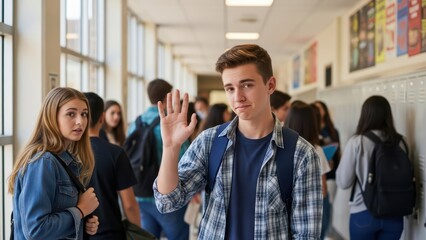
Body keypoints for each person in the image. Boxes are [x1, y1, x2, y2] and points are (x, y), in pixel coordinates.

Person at [154, 44, 322, 239]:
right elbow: (167, 202)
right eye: (230, 88)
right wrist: (171, 148)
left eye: (247, 85)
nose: (238, 97)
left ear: (270, 85)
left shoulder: (301, 155)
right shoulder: (209, 142)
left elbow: (307, 235)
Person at [8, 87, 99, 239]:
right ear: (52, 116)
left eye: (84, 114)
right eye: (71, 114)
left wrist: (84, 222)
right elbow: (36, 230)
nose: (80, 121)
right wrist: (81, 210)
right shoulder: (43, 162)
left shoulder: (65, 160)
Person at [336, 95, 407, 240]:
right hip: (394, 213)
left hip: (363, 213)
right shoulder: (402, 142)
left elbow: (343, 182)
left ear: (365, 115)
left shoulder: (357, 142)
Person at [127, 78, 190, 240]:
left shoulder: (136, 123)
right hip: (167, 194)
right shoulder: (171, 123)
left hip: (140, 191)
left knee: (149, 237)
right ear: (168, 97)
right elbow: (185, 159)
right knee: (178, 236)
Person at [84, 92, 141, 239]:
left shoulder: (65, 154)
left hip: (75, 233)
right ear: (102, 118)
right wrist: (137, 234)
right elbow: (129, 204)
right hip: (110, 234)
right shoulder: (115, 153)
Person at [285, 102, 331, 239]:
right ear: (312, 123)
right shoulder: (315, 150)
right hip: (310, 212)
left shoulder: (279, 148)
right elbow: (323, 190)